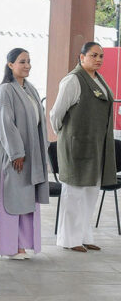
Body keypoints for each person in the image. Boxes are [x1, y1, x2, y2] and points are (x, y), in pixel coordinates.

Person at [50, 41, 116, 252]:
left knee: (90, 192)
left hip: (96, 147)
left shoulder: (99, 79)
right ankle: (69, 240)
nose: (98, 59)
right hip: (77, 146)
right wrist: (65, 134)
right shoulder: (73, 80)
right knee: (74, 193)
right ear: (82, 57)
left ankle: (84, 236)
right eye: (94, 55)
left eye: (101, 56)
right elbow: (56, 113)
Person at [0, 48, 49, 259]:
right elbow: (5, 124)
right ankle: (9, 247)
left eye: (29, 61)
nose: (27, 65)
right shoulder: (5, 90)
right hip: (15, 157)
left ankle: (23, 244)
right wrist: (16, 153)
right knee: (10, 200)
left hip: (31, 155)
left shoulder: (31, 89)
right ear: (10, 64)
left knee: (27, 201)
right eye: (22, 61)